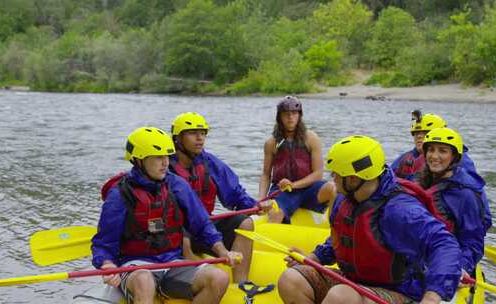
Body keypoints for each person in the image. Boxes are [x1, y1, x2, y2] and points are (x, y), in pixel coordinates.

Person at [278, 135, 463, 304]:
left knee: (340, 297)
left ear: (352, 179)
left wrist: (432, 297)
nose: (332, 178)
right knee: (291, 280)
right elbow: (345, 238)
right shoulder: (345, 198)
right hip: (353, 282)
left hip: (399, 292)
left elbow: (445, 244)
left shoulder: (399, 210)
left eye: (336, 174)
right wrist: (314, 257)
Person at [91, 126, 242, 304]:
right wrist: (107, 265)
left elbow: (202, 226)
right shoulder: (119, 194)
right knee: (144, 281)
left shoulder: (177, 185)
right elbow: (104, 243)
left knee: (219, 278)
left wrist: (223, 251)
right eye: (158, 157)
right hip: (136, 265)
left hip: (173, 262)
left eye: (166, 157)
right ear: (139, 160)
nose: (165, 163)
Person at [169, 112, 272, 283]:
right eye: (193, 133)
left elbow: (235, 195)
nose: (200, 138)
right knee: (182, 230)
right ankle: (194, 269)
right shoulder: (163, 166)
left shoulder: (210, 163)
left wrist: (255, 206)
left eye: (203, 134)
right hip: (175, 232)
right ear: (178, 138)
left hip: (204, 228)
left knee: (245, 223)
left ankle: (241, 284)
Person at [417, 127, 492, 278]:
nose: (434, 156)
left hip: (449, 263)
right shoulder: (420, 180)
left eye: (442, 151)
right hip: (422, 257)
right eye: (430, 150)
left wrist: (462, 267)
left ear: (455, 157)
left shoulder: (465, 194)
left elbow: (473, 242)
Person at [258, 96, 327, 224]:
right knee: (275, 214)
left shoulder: (311, 138)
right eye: (286, 114)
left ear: (299, 116)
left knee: (333, 188)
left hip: (309, 188)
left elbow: (318, 174)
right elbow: (266, 174)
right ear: (280, 117)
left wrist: (293, 185)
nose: (290, 117)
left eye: (294, 113)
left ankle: (337, 227)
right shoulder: (271, 143)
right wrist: (261, 198)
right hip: (283, 190)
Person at [392, 110, 477, 180]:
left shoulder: (460, 159)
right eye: (416, 133)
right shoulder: (406, 158)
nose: (419, 136)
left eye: (426, 133)